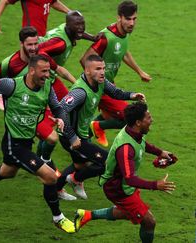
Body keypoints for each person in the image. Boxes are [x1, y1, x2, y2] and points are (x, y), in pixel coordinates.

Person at [0, 55, 81, 233]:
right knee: (50, 176)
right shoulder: (11, 85)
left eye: (49, 71)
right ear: (32, 70)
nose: (47, 75)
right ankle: (58, 218)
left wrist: (61, 119)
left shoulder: (47, 86)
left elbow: (57, 108)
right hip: (13, 145)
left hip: (26, 142)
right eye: (43, 71)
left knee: (7, 172)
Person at [73, 101, 177, 243]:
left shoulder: (135, 131)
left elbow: (142, 143)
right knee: (149, 222)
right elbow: (130, 179)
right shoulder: (125, 148)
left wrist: (160, 152)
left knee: (131, 213)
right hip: (118, 188)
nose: (151, 120)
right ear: (138, 122)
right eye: (148, 117)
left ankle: (86, 215)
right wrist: (155, 185)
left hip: (123, 185)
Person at [55, 54, 146, 200]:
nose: (103, 72)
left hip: (82, 133)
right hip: (71, 136)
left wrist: (132, 95)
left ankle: (57, 188)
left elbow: (115, 92)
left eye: (103, 68)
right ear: (87, 71)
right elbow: (61, 110)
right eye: (98, 69)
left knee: (79, 165)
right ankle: (76, 179)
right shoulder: (80, 92)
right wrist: (72, 136)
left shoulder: (101, 82)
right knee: (109, 162)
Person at [80, 0, 151, 147]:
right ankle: (95, 129)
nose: (132, 23)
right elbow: (85, 59)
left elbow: (123, 52)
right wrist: (100, 82)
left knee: (111, 116)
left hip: (109, 84)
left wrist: (140, 72)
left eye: (134, 19)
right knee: (129, 117)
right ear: (119, 17)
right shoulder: (106, 37)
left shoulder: (123, 34)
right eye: (128, 19)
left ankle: (84, 140)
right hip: (101, 86)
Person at [0, 0, 70, 37]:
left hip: (42, 36)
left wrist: (69, 12)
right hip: (29, 35)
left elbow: (52, 2)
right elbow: (5, 1)